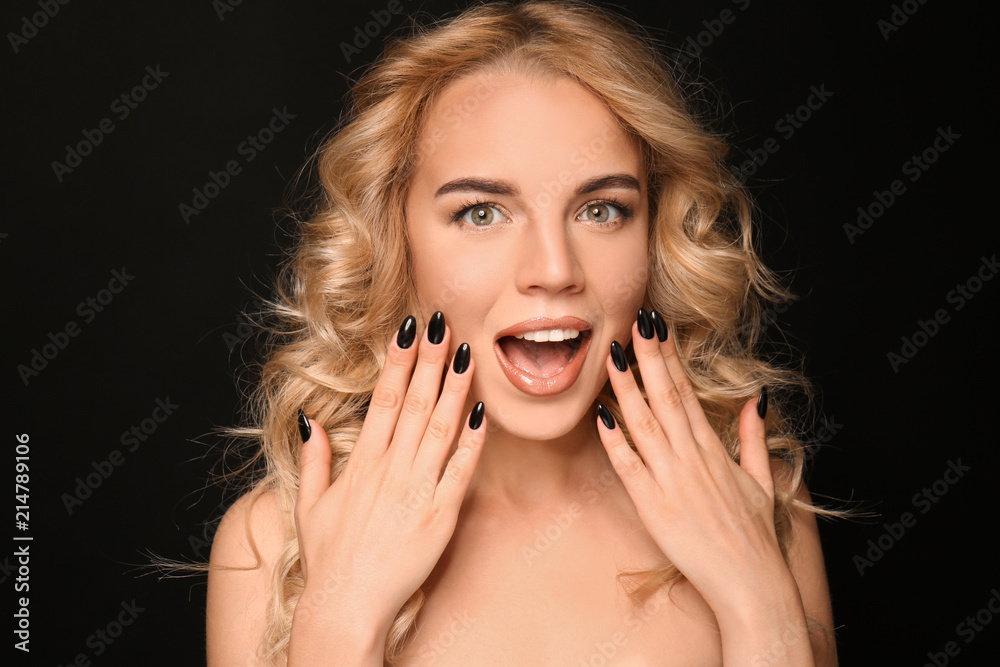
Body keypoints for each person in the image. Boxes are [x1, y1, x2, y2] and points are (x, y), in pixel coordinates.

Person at [205, 1, 837, 664]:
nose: (553, 271)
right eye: (481, 212)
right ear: (398, 238)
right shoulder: (273, 542)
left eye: (601, 209)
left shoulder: (759, 511)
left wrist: (760, 608)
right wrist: (339, 621)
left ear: (652, 235)